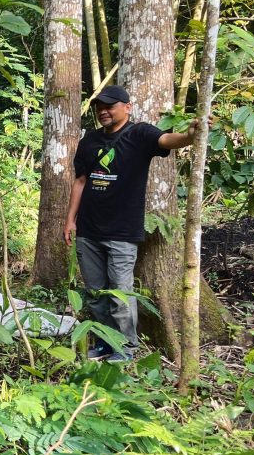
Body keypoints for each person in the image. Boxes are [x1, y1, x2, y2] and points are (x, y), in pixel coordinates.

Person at [64, 85, 201, 362]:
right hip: (88, 230)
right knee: (95, 293)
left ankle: (126, 348)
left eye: (110, 106)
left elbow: (167, 140)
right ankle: (104, 342)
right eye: (99, 107)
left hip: (122, 231)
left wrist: (190, 135)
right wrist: (70, 220)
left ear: (126, 107)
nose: (103, 111)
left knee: (120, 293)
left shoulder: (140, 133)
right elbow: (80, 181)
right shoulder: (89, 140)